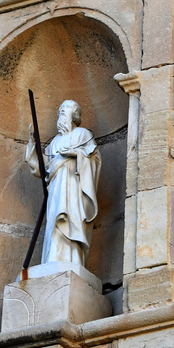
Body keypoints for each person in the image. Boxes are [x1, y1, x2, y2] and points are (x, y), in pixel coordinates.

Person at [26, 100, 101, 267]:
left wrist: (75, 154)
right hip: (56, 188)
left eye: (64, 111)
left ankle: (73, 260)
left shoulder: (83, 134)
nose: (61, 114)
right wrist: (33, 144)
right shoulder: (55, 142)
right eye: (59, 111)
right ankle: (53, 258)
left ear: (74, 115)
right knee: (55, 221)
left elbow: (94, 160)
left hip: (74, 187)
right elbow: (43, 167)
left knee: (71, 220)